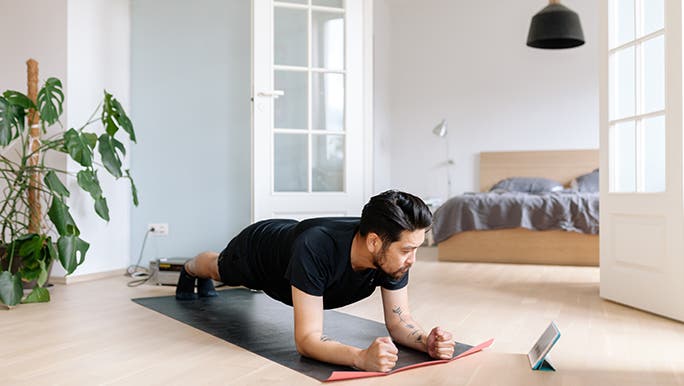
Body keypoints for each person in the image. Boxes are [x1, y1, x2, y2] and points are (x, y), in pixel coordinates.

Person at [176, 190, 455, 372]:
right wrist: (360, 358)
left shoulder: (391, 253)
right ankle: (188, 268)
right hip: (258, 250)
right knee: (218, 269)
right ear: (373, 242)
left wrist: (425, 341)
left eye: (416, 249)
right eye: (407, 250)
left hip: (292, 240)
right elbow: (307, 340)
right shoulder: (317, 247)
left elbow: (399, 320)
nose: (413, 260)